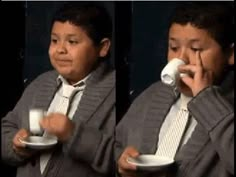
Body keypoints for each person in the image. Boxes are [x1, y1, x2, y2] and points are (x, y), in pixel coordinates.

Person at [116, 2, 234, 177]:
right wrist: (121, 162)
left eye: (196, 49)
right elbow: (117, 145)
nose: (180, 59)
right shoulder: (152, 95)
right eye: (173, 47)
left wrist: (207, 99)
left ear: (231, 55)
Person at [1, 2, 115, 177]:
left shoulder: (113, 92)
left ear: (103, 47)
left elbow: (122, 158)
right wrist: (15, 144)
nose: (60, 49)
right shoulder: (41, 84)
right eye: (54, 40)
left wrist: (73, 134)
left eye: (72, 41)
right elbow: (6, 128)